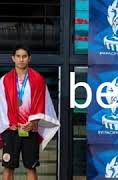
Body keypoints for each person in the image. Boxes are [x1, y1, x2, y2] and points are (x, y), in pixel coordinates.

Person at [0, 45, 60, 180]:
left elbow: (43, 104)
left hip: (30, 129)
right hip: (11, 129)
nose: (21, 59)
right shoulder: (4, 80)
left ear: (29, 58)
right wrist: (9, 123)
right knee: (8, 167)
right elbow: (1, 105)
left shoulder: (38, 79)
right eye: (18, 56)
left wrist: (33, 122)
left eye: (24, 56)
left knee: (31, 167)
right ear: (13, 58)